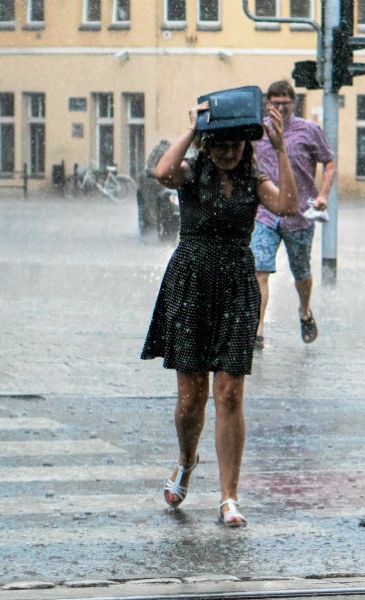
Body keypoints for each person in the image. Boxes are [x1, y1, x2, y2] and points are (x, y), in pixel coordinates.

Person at [141, 96, 297, 526]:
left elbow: (287, 205)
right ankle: (187, 460)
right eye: (220, 144)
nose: (229, 151)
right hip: (191, 280)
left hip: (234, 285)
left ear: (247, 145)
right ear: (208, 145)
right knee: (191, 400)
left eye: (236, 144)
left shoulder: (254, 181)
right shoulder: (191, 173)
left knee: (229, 393)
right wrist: (193, 130)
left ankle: (229, 495)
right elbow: (161, 173)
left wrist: (280, 149)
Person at [250, 80, 336, 350]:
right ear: (267, 104)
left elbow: (329, 161)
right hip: (264, 213)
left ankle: (304, 311)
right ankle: (257, 330)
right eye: (275, 103)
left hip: (299, 214)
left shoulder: (309, 130)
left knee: (301, 271)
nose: (280, 108)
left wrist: (322, 195)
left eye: (285, 104)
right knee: (260, 271)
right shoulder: (258, 130)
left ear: (293, 103)